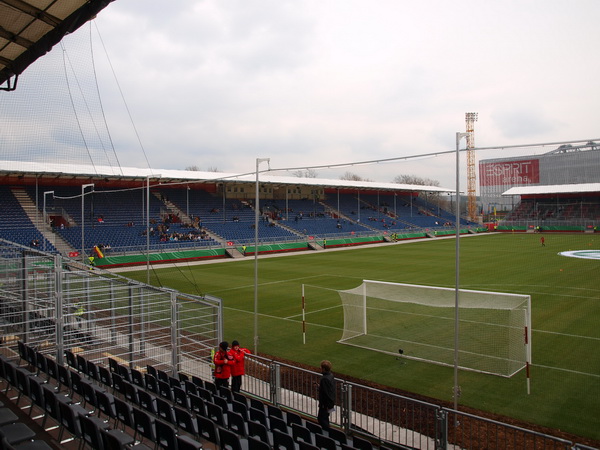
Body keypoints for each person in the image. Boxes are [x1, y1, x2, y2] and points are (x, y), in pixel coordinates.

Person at [317, 360, 336, 430]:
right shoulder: (330, 376)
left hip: (325, 405)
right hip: (328, 404)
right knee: (324, 418)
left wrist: (328, 405)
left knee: (322, 419)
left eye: (321, 368)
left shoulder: (324, 379)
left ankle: (326, 434)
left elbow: (326, 393)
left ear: (324, 369)